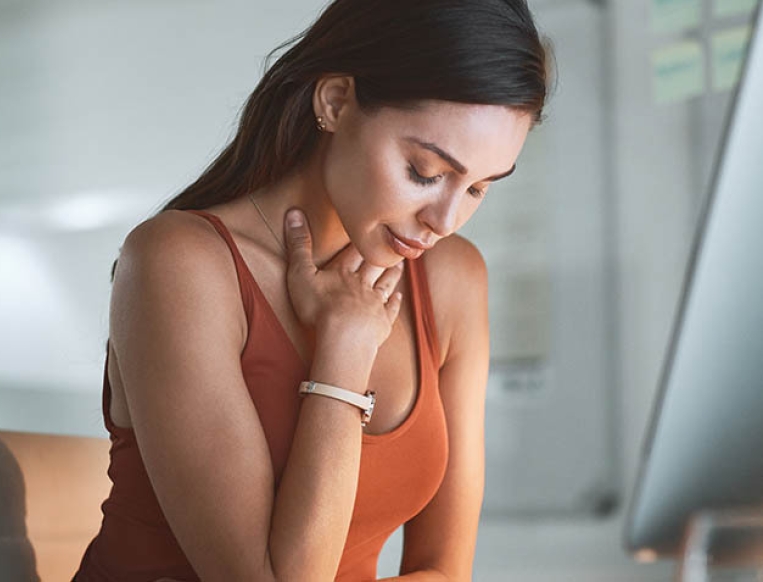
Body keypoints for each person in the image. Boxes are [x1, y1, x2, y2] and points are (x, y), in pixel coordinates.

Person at [73, 0, 550, 580]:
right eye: (425, 172)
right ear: (336, 102)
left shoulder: (451, 279)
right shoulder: (178, 263)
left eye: (478, 188)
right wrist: (346, 347)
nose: (444, 219)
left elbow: (446, 570)